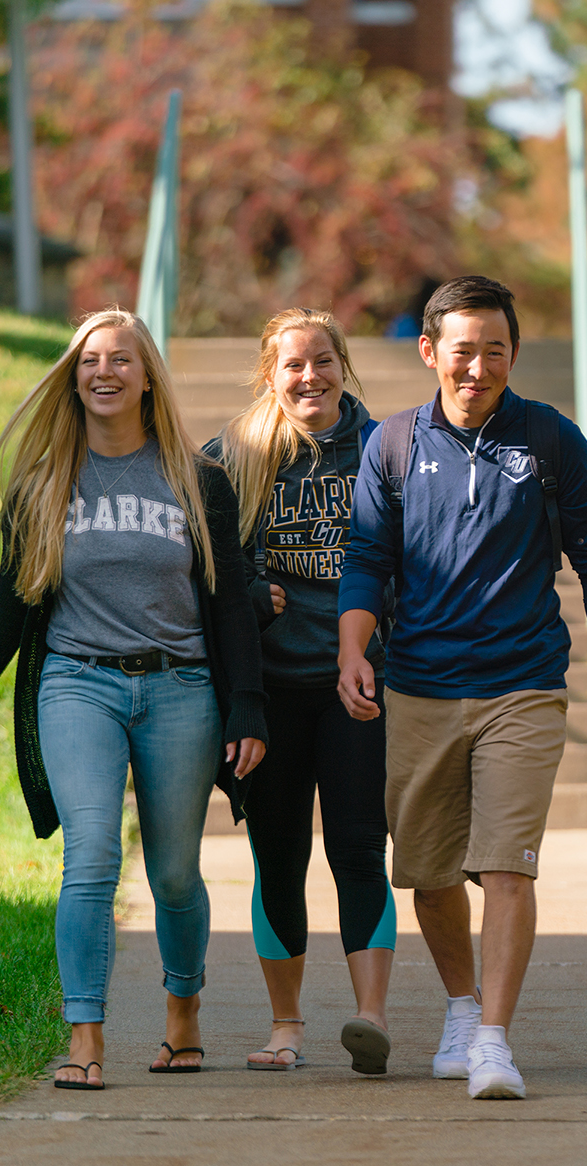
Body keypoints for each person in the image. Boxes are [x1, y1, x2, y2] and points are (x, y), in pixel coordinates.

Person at [0, 307, 267, 1087]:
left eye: (121, 359)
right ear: (73, 376)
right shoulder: (44, 485)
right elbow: (8, 606)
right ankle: (86, 1036)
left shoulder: (197, 482)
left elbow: (229, 604)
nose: (104, 372)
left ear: (148, 375)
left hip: (181, 687)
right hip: (79, 682)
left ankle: (182, 1011)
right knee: (90, 856)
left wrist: (246, 703)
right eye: (89, 361)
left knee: (176, 875)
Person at [337, 275, 587, 1101]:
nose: (478, 368)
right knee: (429, 870)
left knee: (507, 868)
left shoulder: (549, 439)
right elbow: (366, 558)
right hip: (420, 684)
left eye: (494, 351)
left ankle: (495, 1040)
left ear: (513, 353)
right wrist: (351, 652)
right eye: (462, 351)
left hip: (524, 686)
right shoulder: (392, 444)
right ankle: (462, 1008)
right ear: (430, 351)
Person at [206, 308, 397, 1076]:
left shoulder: (384, 447)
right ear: (269, 374)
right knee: (276, 856)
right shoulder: (232, 457)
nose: (309, 376)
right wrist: (250, 591)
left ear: (343, 365)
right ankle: (285, 1027)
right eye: (293, 365)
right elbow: (203, 566)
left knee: (359, 849)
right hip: (271, 695)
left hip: (357, 686)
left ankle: (370, 1020)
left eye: (323, 360)